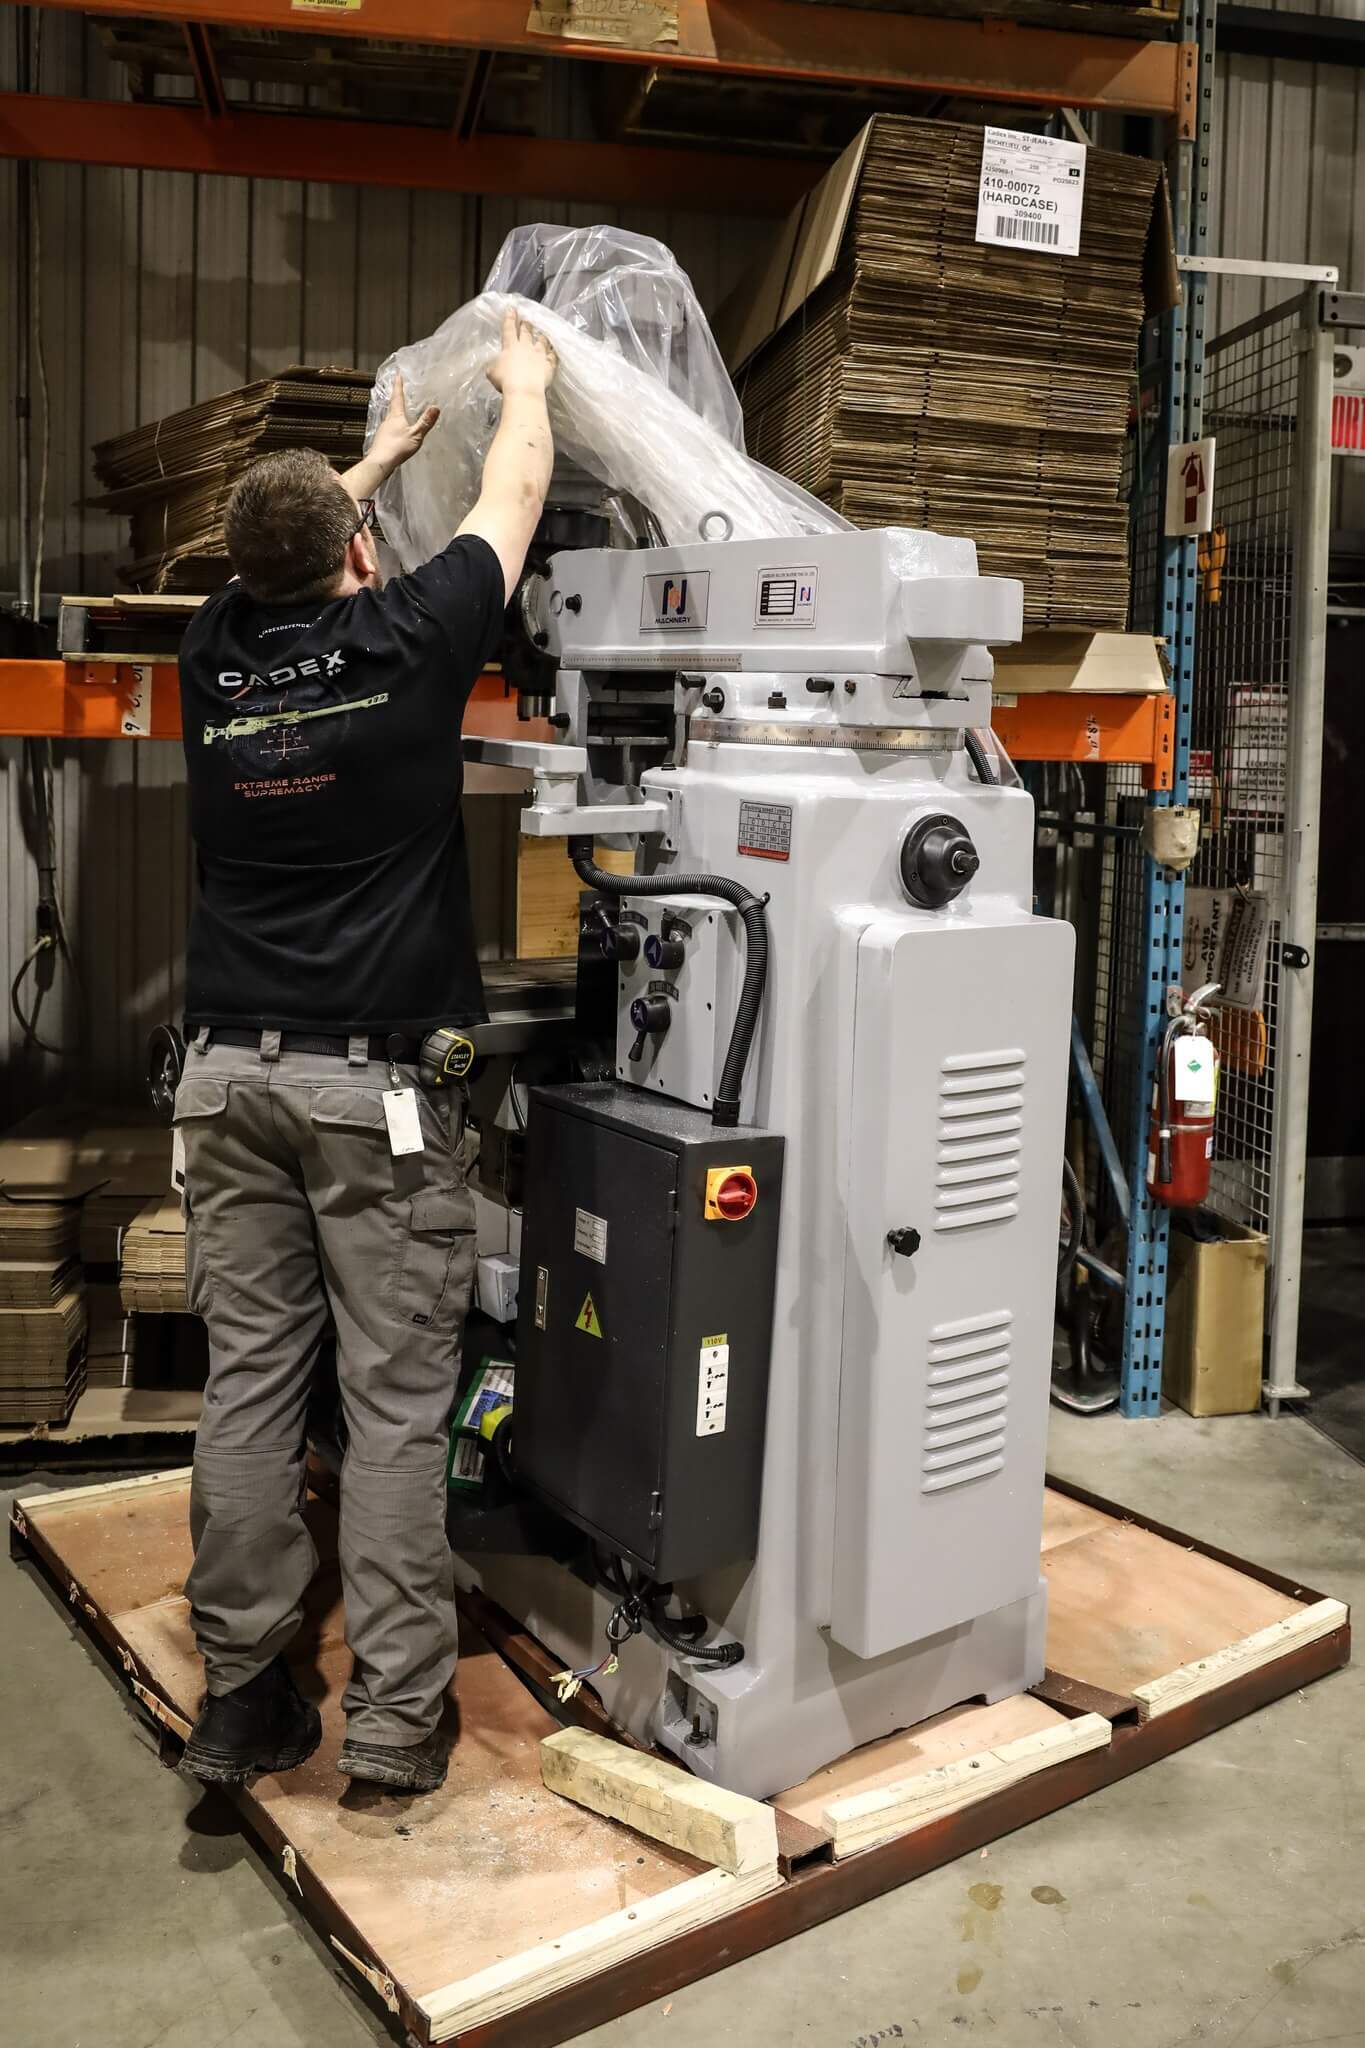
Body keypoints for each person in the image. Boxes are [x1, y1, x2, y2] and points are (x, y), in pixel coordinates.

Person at [172, 309, 558, 1794]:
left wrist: (373, 459)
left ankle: (242, 1698)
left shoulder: (211, 653)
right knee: (396, 1407)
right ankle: (395, 1725)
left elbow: (269, 549)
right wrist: (524, 385)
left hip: (224, 1082)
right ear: (356, 553)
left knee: (251, 1386)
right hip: (370, 1090)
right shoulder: (408, 639)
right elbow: (513, 496)